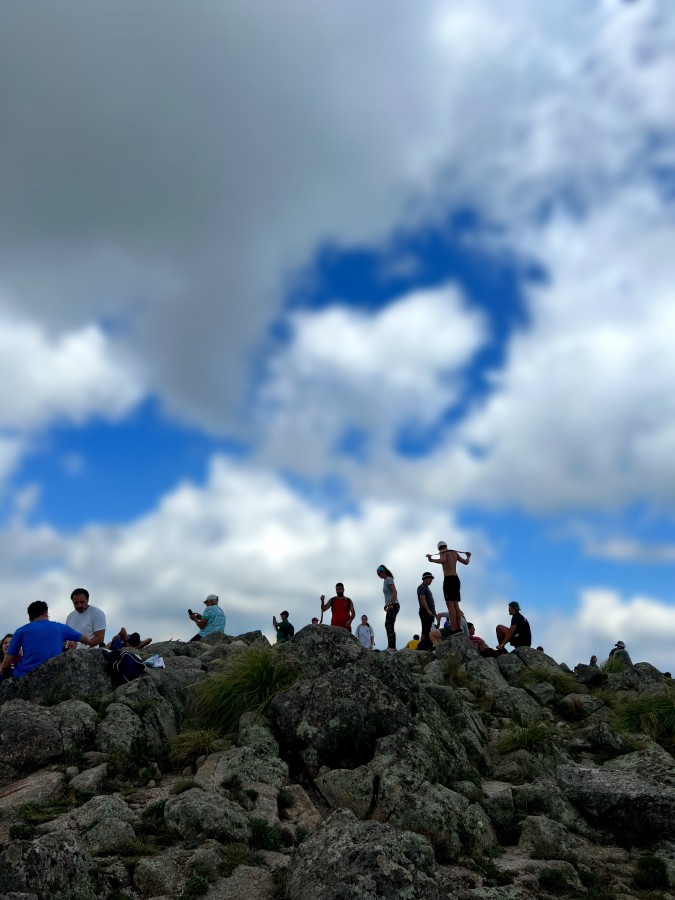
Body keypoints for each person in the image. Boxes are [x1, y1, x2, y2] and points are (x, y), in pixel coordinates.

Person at [0, 601, 93, 678]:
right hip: (52, 674)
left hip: (24, 676)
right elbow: (85, 639)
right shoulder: (60, 627)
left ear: (29, 617)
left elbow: (6, 663)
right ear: (46, 613)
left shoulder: (21, 631)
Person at [426, 541, 471, 633]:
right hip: (456, 579)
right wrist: (468, 556)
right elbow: (466, 562)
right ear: (446, 545)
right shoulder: (454, 552)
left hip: (449, 579)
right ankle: (458, 627)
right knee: (456, 605)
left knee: (450, 605)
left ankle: (454, 628)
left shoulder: (443, 552)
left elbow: (443, 560)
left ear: (439, 548)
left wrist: (431, 559)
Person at [377, 565, 399, 652]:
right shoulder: (385, 580)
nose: (379, 575)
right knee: (389, 625)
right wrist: (386, 604)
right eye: (378, 574)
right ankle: (391, 646)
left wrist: (391, 603)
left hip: (394, 605)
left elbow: (395, 592)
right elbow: (388, 595)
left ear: (383, 572)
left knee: (388, 625)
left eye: (379, 573)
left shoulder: (389, 579)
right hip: (390, 605)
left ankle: (392, 647)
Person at [417, 572, 437, 648]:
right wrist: (428, 610)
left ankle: (427, 647)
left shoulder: (426, 588)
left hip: (429, 613)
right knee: (426, 631)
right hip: (425, 612)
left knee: (428, 630)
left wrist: (433, 613)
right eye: (430, 578)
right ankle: (425, 647)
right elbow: (422, 598)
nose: (431, 580)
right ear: (425, 578)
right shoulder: (421, 587)